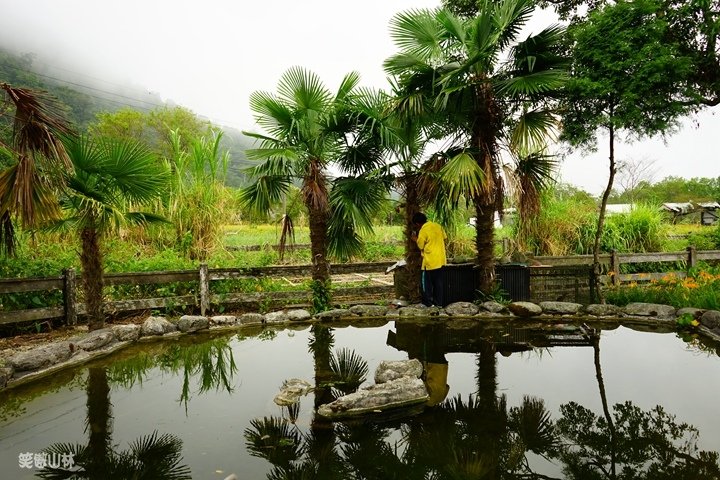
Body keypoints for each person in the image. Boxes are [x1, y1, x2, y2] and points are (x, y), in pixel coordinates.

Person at [411, 212, 447, 307]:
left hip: (429, 261)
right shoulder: (437, 226)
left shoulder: (423, 230)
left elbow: (421, 245)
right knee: (438, 283)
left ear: (417, 224)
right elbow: (444, 237)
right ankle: (438, 303)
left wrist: (415, 239)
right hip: (440, 260)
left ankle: (428, 304)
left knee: (426, 284)